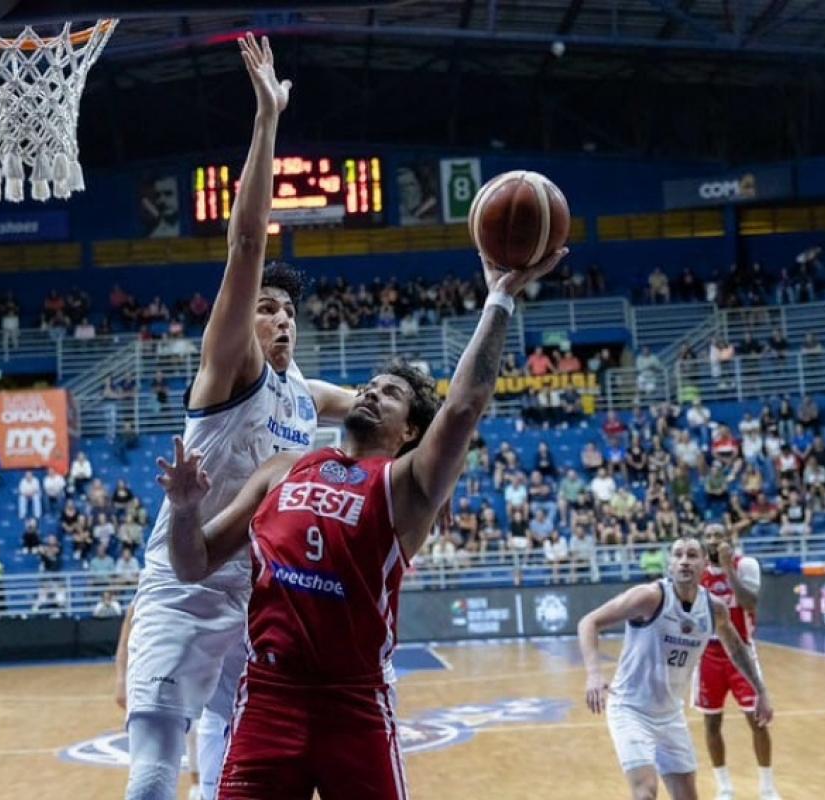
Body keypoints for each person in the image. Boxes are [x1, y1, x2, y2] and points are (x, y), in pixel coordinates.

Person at [157, 241, 565, 797]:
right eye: (371, 386)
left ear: (411, 433)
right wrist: (183, 510)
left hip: (354, 706)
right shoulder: (283, 469)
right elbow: (191, 562)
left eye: (391, 394)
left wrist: (499, 299)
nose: (372, 392)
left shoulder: (405, 489)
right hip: (270, 698)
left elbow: (464, 406)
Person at [123, 34, 355, 800]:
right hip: (187, 583)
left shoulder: (306, 395)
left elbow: (385, 411)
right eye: (264, 308)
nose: (278, 319)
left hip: (258, 598)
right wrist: (266, 120)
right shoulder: (229, 371)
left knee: (239, 771)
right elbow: (249, 239)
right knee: (157, 767)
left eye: (286, 310)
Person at [578, 537, 774, 800]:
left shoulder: (714, 608)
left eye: (692, 555)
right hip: (630, 710)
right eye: (678, 555)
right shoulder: (649, 597)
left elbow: (736, 648)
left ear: (705, 564)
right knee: (645, 792)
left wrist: (760, 690)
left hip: (670, 714)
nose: (684, 561)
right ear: (669, 564)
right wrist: (593, 673)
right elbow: (589, 622)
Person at [695, 527, 781, 799]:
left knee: (758, 722)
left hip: (742, 654)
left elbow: (749, 603)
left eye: (718, 535)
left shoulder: (746, 565)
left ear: (729, 540)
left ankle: (767, 788)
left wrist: (728, 569)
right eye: (708, 537)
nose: (712, 541)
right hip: (708, 656)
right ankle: (724, 787)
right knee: (711, 725)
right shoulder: (698, 572)